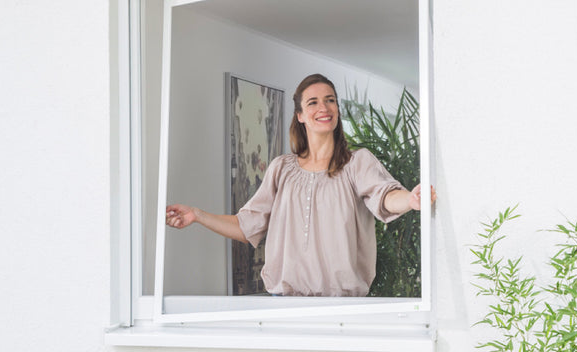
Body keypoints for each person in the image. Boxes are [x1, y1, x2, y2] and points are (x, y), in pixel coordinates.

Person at [165, 73, 433, 297]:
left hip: (341, 307)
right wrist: (198, 215)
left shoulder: (357, 163)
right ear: (301, 115)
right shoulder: (281, 169)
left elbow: (385, 196)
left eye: (330, 101)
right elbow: (246, 226)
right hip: (282, 303)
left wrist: (410, 199)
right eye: (313, 102)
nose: (324, 108)